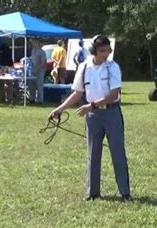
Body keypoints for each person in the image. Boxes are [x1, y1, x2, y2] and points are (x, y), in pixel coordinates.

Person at [49, 35, 132, 202]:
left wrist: (91, 106)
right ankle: (92, 193)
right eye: (102, 51)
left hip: (111, 113)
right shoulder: (84, 67)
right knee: (93, 153)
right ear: (94, 51)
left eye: (108, 50)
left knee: (117, 153)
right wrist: (59, 109)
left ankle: (125, 193)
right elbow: (77, 93)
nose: (106, 54)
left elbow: (114, 95)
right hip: (93, 117)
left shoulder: (113, 67)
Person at [28, 38, 47, 104]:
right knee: (31, 85)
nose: (32, 43)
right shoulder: (33, 50)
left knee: (39, 85)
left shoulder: (42, 52)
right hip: (32, 70)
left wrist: (37, 69)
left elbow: (43, 62)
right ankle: (32, 98)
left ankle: (40, 100)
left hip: (40, 71)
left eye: (33, 42)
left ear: (37, 42)